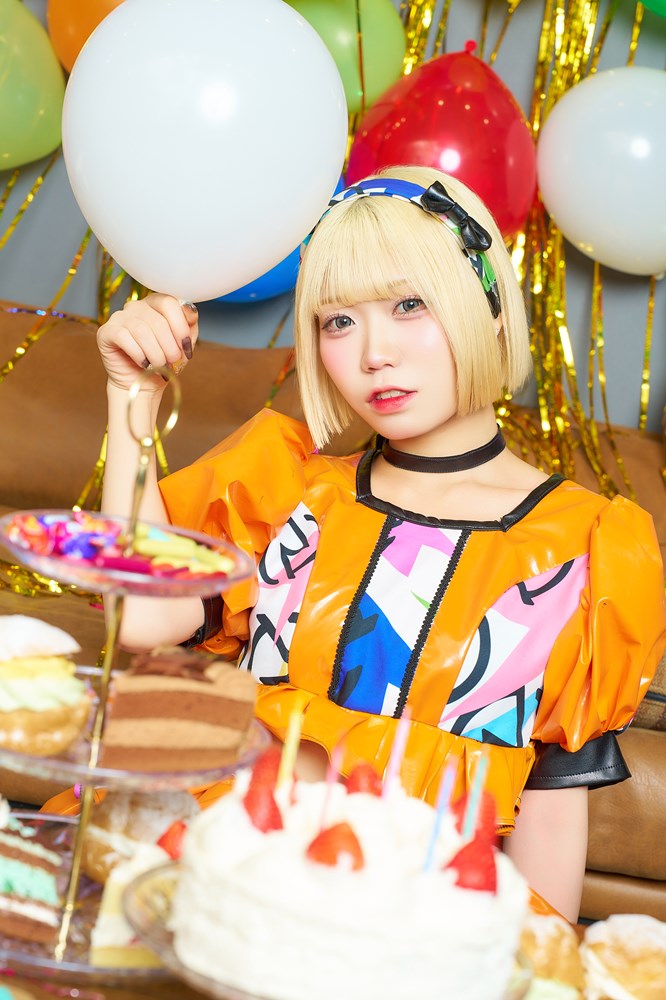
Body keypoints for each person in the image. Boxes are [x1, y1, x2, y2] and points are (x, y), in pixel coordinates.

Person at [94, 165, 665, 921]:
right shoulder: (287, 492)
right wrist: (131, 397)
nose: (373, 354)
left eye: (408, 305)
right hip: (222, 883)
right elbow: (137, 618)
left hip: (405, 933)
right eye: (338, 321)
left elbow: (551, 822)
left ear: (491, 309)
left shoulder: (585, 549)